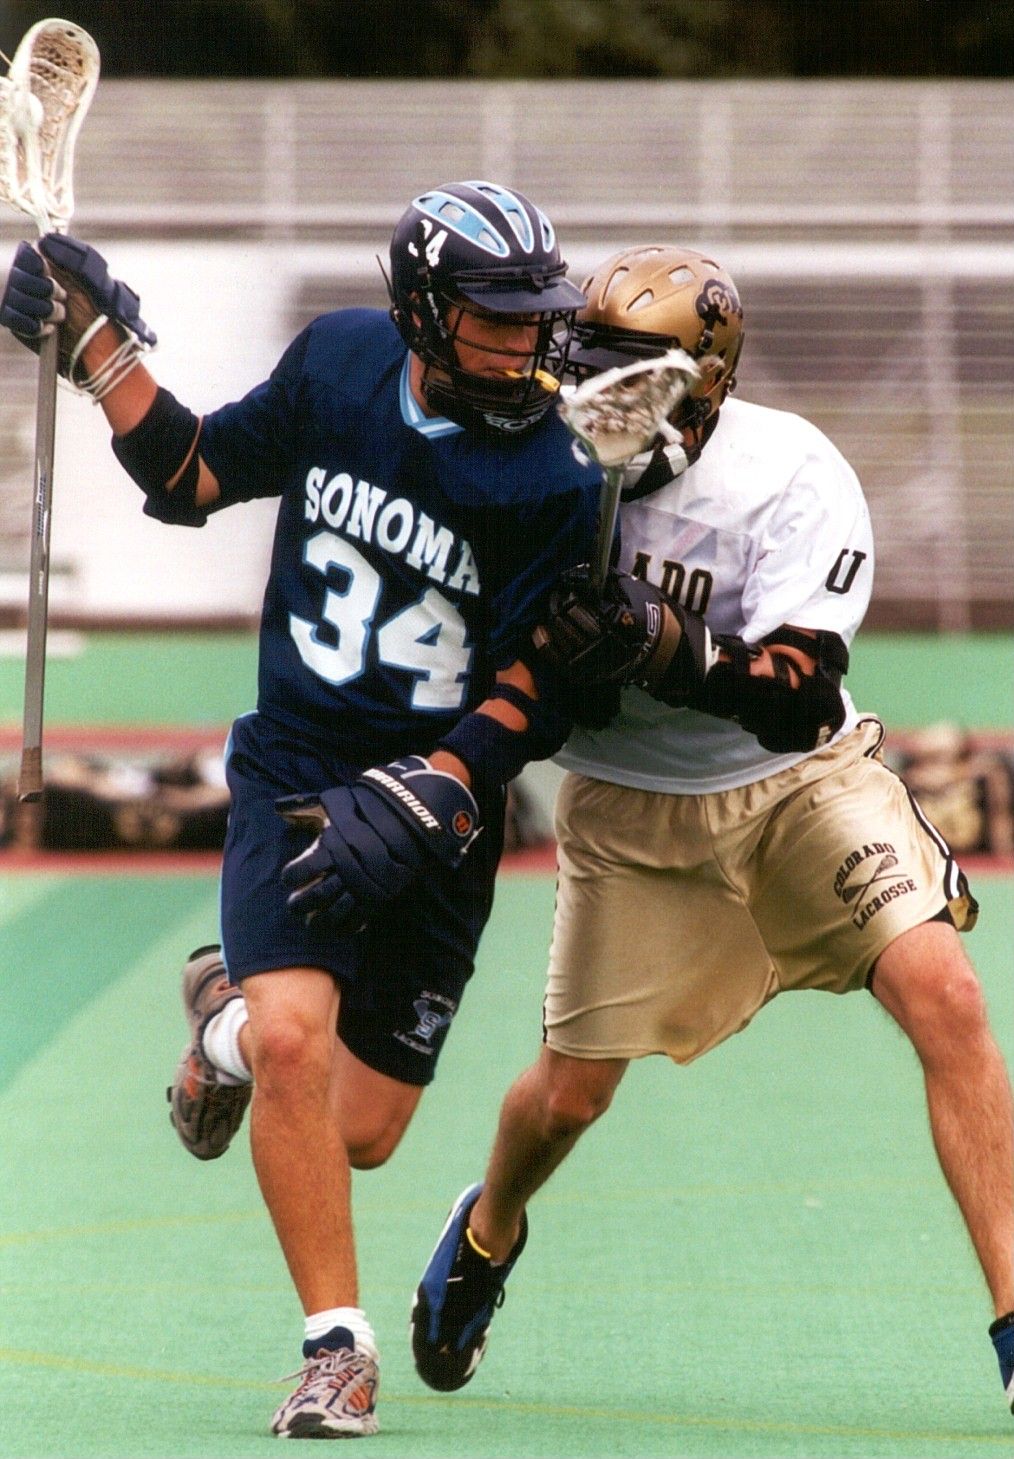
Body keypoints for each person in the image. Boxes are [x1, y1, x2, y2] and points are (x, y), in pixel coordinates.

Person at [0, 180, 603, 1438]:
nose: (524, 342)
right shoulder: (337, 362)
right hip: (297, 767)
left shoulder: (556, 472)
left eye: (534, 316)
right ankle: (337, 1349)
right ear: (423, 313)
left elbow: (537, 683)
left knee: (360, 1129)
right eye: (496, 318)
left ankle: (219, 1020)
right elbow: (195, 472)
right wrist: (96, 350)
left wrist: (445, 782)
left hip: (437, 804)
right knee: (296, 1046)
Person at [408, 244, 1014, 1416]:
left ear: (711, 383)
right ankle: (489, 1229)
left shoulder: (789, 474)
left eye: (641, 375)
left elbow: (799, 694)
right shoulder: (532, 462)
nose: (608, 397)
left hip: (794, 785)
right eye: (594, 363)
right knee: (570, 1097)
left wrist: (671, 651)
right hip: (629, 809)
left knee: (947, 993)